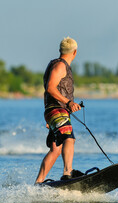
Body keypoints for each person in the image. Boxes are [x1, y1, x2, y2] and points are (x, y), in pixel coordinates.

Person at [35, 37, 83, 184]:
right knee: (69, 138)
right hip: (56, 111)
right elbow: (50, 88)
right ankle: (68, 173)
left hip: (55, 112)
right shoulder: (60, 66)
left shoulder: (57, 64)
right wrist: (68, 102)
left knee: (56, 149)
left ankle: (38, 183)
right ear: (75, 52)